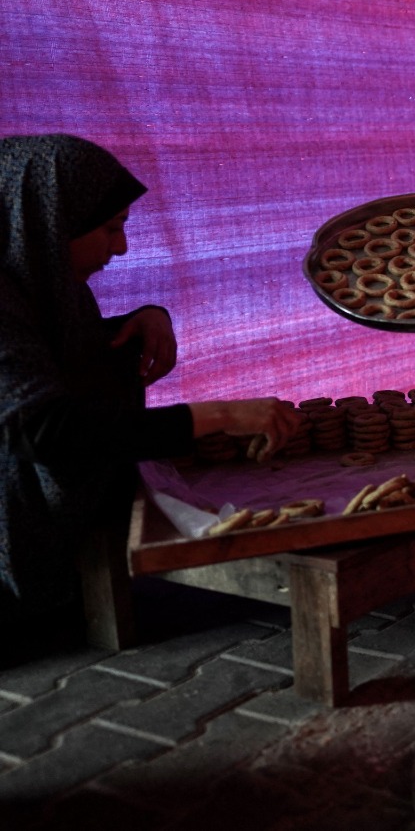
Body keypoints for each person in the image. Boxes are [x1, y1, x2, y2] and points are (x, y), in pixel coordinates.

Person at [0, 134, 298, 654]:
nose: (121, 249)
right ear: (46, 221)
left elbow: (47, 358)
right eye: (111, 229)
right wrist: (220, 414)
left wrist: (142, 319)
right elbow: (41, 428)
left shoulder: (36, 282)